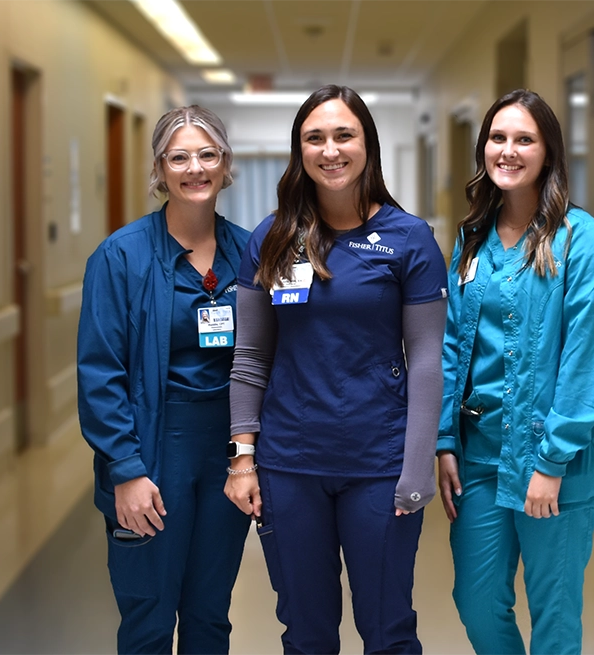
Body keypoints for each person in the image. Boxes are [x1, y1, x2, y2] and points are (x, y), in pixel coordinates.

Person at [225, 84, 448, 655]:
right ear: (299, 150)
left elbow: (425, 358)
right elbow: (251, 356)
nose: (330, 150)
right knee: (306, 634)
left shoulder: (408, 238)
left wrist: (417, 466)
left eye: (344, 135)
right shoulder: (272, 239)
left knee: (389, 631)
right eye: (314, 138)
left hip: (379, 464)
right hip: (290, 466)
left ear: (367, 144)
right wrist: (244, 458)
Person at [436, 88, 594, 655]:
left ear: (549, 152)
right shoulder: (472, 238)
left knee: (554, 617)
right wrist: (445, 439)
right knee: (475, 603)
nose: (509, 150)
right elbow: (453, 345)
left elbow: (588, 362)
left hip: (555, 465)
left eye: (525, 139)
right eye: (498, 138)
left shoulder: (582, 240)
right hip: (480, 458)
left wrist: (550, 461)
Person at [77, 105, 251, 655]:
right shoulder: (120, 257)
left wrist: (251, 457)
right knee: (148, 620)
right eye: (179, 156)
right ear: (160, 169)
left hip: (225, 455)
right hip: (151, 452)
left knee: (209, 616)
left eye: (207, 154)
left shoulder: (250, 253)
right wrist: (126, 470)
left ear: (225, 165)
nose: (195, 167)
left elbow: (270, 359)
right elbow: (100, 372)